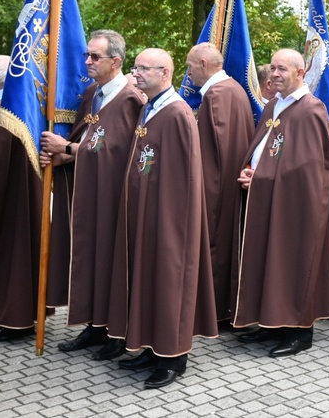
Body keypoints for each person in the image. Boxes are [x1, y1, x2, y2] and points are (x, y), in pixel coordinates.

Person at [109, 48, 217, 389]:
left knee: (168, 284)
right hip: (145, 215)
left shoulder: (177, 114)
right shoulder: (149, 108)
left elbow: (183, 176)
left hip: (168, 219)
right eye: (135, 67)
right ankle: (150, 348)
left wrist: (171, 222)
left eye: (144, 68)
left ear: (165, 73)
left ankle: (172, 359)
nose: (136, 73)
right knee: (147, 281)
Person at [40, 30, 145, 360]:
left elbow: (118, 149)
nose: (87, 61)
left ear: (115, 62)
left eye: (94, 57)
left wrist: (69, 147)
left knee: (113, 263)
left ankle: (117, 334)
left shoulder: (131, 98)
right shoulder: (92, 93)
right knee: (92, 261)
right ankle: (95, 325)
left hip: (115, 199)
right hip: (88, 194)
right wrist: (62, 156)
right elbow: (88, 139)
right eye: (87, 54)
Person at [234, 49, 329, 357]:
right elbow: (266, 149)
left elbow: (308, 168)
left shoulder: (310, 110)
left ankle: (300, 333)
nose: (274, 74)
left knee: (294, 261)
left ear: (300, 73)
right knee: (270, 260)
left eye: (282, 69)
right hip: (268, 198)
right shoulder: (273, 107)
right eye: (272, 68)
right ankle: (272, 324)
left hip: (296, 206)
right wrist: (251, 166)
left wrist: (261, 177)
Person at [186, 43, 254, 325]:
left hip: (217, 186)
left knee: (214, 245)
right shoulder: (234, 90)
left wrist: (201, 188)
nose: (188, 74)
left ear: (204, 64)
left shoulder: (215, 95)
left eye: (190, 66)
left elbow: (213, 150)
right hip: (231, 181)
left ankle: (213, 311)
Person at [0, 55, 43, 342]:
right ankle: (21, 317)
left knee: (3, 257)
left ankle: (5, 320)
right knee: (20, 254)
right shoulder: (27, 109)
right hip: (24, 198)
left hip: (2, 201)